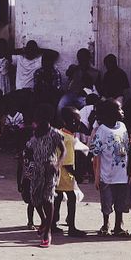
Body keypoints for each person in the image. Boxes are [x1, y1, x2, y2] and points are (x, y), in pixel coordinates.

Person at [26, 103, 65, 248]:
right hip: (37, 169)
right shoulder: (35, 134)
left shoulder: (54, 133)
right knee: (35, 198)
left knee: (48, 198)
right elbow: (29, 150)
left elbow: (63, 150)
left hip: (50, 169)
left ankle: (47, 232)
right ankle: (43, 220)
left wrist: (57, 165)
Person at [91, 99, 130, 237]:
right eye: (119, 109)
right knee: (106, 202)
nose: (122, 111)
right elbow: (96, 155)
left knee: (121, 202)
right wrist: (96, 176)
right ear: (111, 113)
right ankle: (106, 224)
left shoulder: (123, 126)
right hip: (106, 175)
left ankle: (118, 225)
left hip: (122, 175)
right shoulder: (101, 131)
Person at [52, 107, 87, 238]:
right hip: (66, 172)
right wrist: (76, 175)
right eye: (76, 120)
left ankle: (53, 223)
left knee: (58, 196)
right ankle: (72, 227)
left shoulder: (61, 133)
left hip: (57, 172)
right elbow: (68, 162)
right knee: (71, 197)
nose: (78, 123)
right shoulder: (68, 138)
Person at [59, 48, 101, 112]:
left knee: (88, 109)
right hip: (71, 94)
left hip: (84, 96)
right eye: (80, 58)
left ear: (89, 58)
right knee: (61, 106)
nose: (82, 60)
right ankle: (61, 122)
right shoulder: (74, 68)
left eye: (84, 58)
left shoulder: (95, 72)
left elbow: (97, 90)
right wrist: (75, 69)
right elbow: (67, 73)